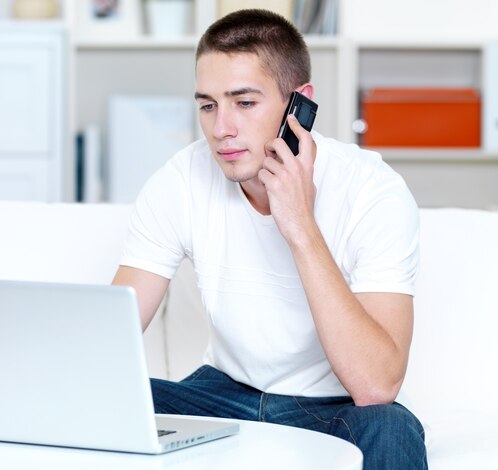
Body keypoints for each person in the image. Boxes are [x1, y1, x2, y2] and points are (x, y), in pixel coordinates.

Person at [112, 8, 427, 469]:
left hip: (329, 406)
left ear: (299, 104)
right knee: (108, 400)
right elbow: (112, 330)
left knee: (393, 426)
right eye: (207, 105)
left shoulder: (374, 191)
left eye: (244, 102)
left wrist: (299, 224)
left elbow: (376, 385)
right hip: (221, 393)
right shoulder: (181, 178)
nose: (221, 129)